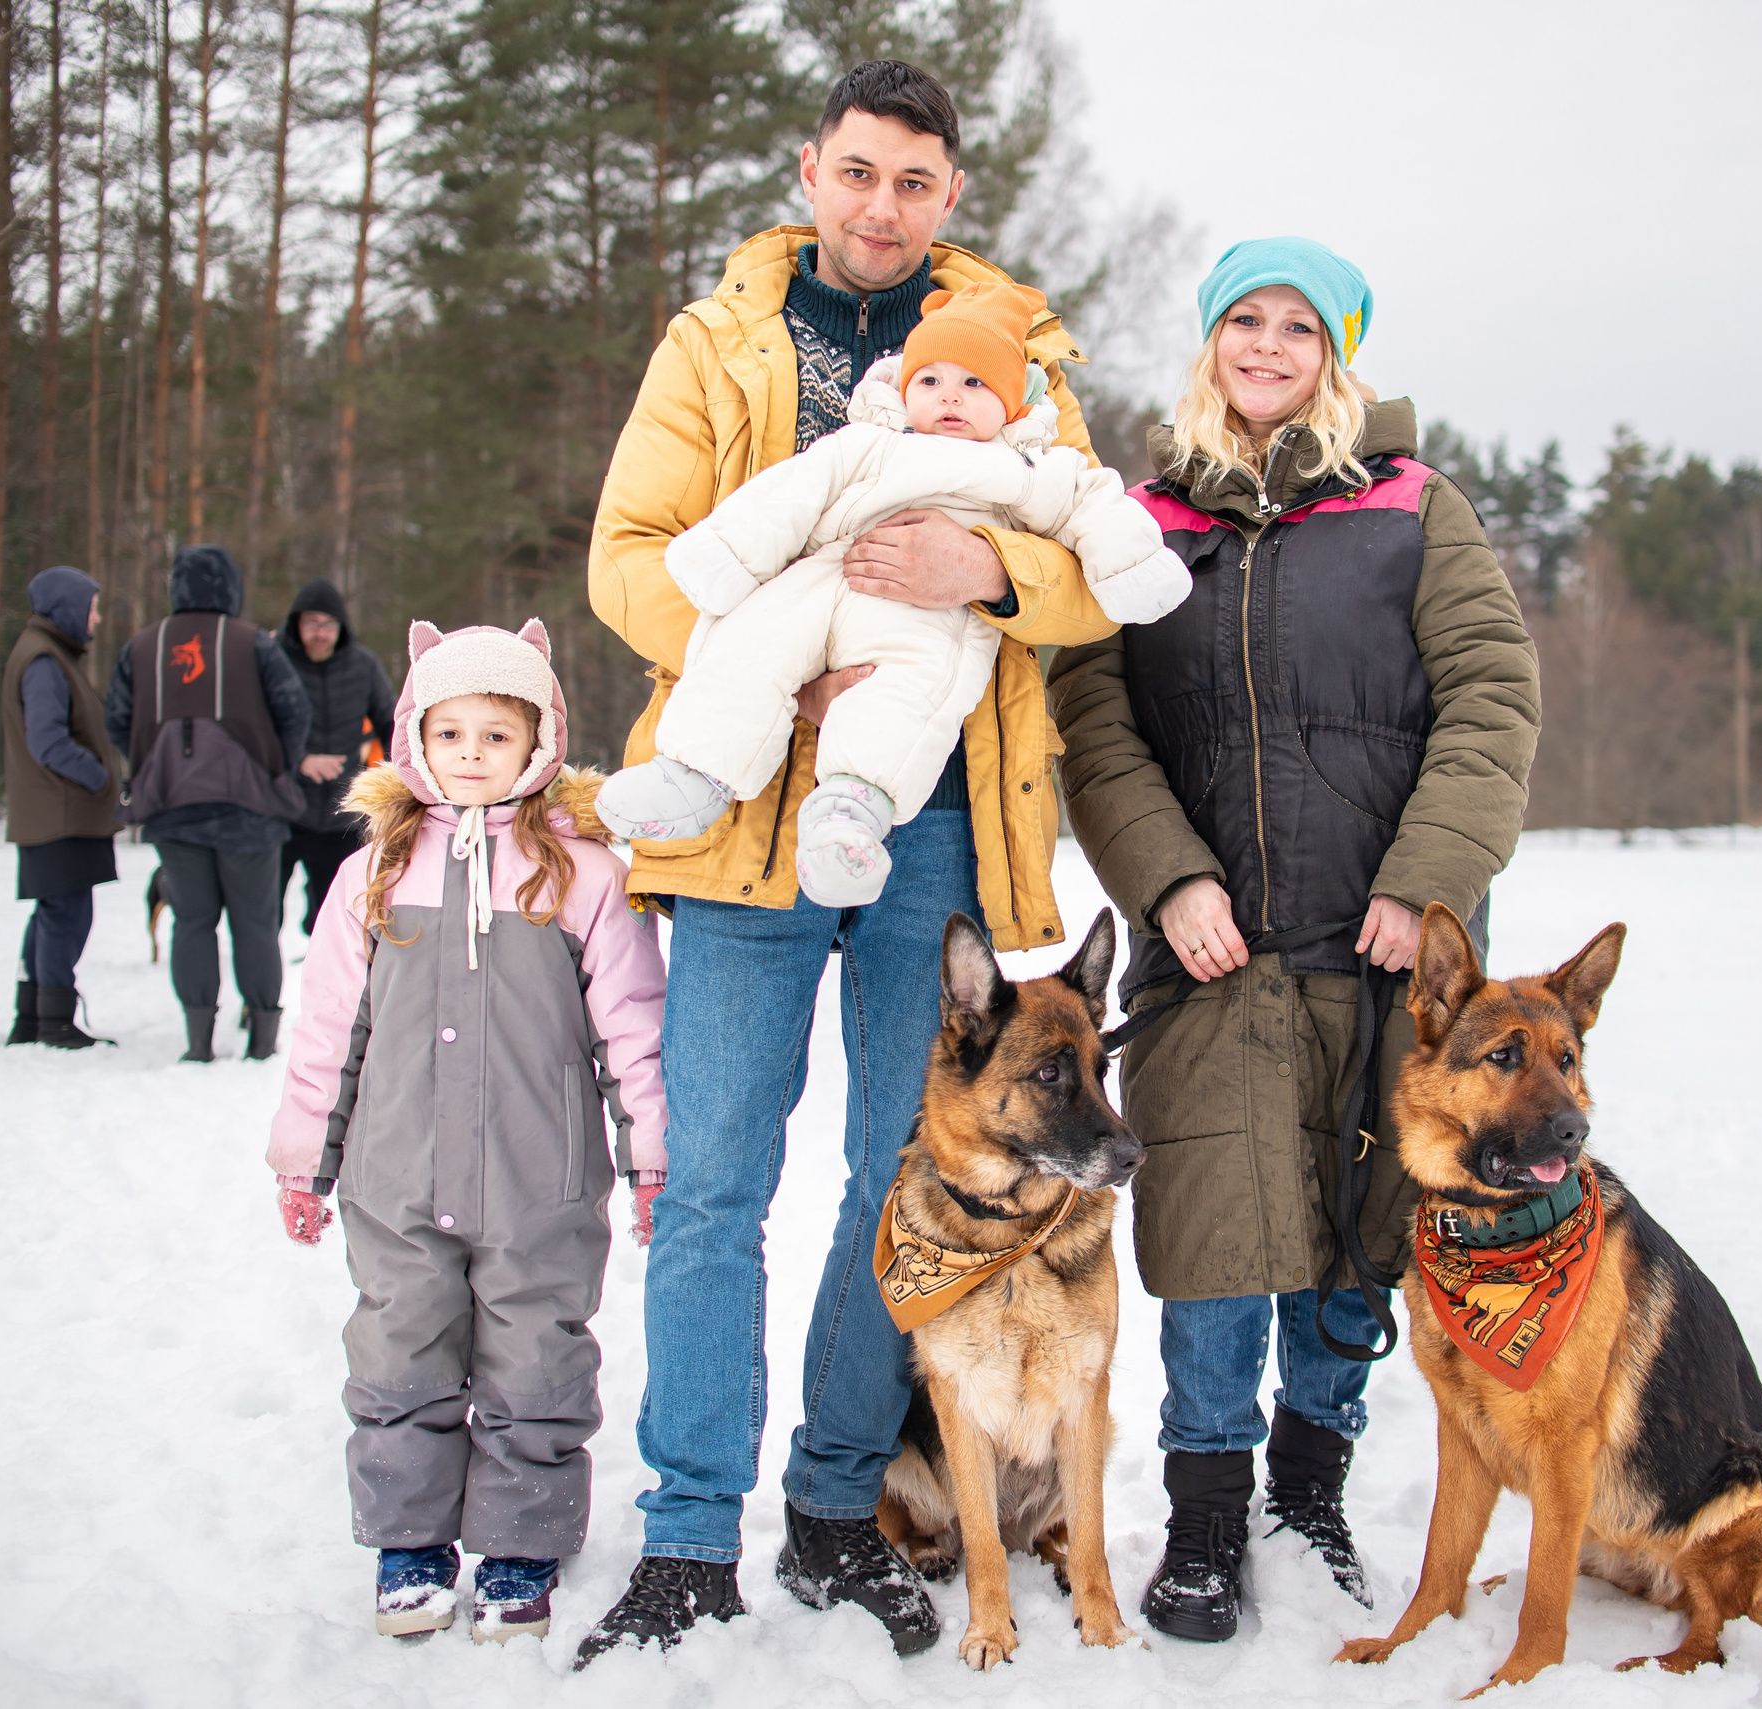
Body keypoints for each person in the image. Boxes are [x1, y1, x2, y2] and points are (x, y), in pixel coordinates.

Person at [577, 59, 1116, 1663]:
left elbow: (1101, 563)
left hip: (941, 819)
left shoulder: (1021, 354)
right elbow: (627, 559)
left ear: (952, 198)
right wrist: (774, 668)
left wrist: (991, 568)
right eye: (857, 173)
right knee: (714, 1187)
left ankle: (832, 1508)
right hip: (745, 816)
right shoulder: (717, 342)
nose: (882, 206)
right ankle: (684, 1539)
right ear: (811, 170)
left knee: (902, 1183)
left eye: (914, 183)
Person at [1049, 237, 1542, 1642]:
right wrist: (1170, 879)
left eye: (1299, 327)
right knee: (1215, 1229)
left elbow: (1493, 700)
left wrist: (1425, 877)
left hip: (1390, 953)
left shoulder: (1414, 507)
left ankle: (1306, 1492)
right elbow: (1096, 720)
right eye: (1242, 321)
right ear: (1209, 343)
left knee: (1355, 1230)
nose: (1267, 346)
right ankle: (1204, 1521)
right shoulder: (1136, 519)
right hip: (1211, 951)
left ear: (1339, 353)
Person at [267, 616, 667, 1646]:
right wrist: (303, 1159)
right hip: (393, 1171)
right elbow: (327, 1029)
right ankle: (410, 1539)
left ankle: (522, 1538)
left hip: (541, 1176)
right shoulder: (373, 873)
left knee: (535, 1352)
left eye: (497, 734)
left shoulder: (581, 872)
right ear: (412, 737)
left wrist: (650, 1156)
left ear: (539, 741)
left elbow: (634, 1024)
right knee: (400, 1345)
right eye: (450, 734)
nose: (472, 755)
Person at [593, 280, 1186, 903]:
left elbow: (1098, 512)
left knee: (908, 690)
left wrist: (1133, 570)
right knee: (746, 642)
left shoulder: (1036, 468)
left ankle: (849, 816)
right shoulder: (869, 443)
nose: (949, 397)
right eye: (930, 381)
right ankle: (693, 774)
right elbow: (794, 492)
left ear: (1014, 402)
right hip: (822, 578)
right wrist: (729, 555)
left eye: (975, 383)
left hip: (924, 614)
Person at [106, 545, 311, 1063]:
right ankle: (262, 1039)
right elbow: (295, 711)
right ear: (231, 587)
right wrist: (273, 766)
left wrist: (152, 761)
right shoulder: (253, 644)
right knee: (256, 925)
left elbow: (117, 719)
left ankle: (198, 1042)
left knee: (192, 923)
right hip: (252, 810)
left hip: (171, 805)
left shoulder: (141, 647)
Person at [1, 565, 119, 1049]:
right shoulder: (45, 660)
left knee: (54, 913)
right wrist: (99, 775)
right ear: (68, 607)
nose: (96, 620)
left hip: (55, 814)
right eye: (91, 608)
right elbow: (47, 740)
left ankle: (32, 1018)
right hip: (62, 814)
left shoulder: (48, 655)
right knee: (66, 915)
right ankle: (54, 1022)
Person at [278, 577, 398, 935]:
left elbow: (393, 722)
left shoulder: (363, 665)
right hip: (281, 808)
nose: (320, 632)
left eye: (328, 624)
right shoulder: (275, 661)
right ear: (296, 624)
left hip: (341, 812)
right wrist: (298, 759)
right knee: (263, 914)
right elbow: (254, 726)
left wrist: (395, 779)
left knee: (335, 915)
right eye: (311, 623)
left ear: (341, 628)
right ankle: (261, 991)